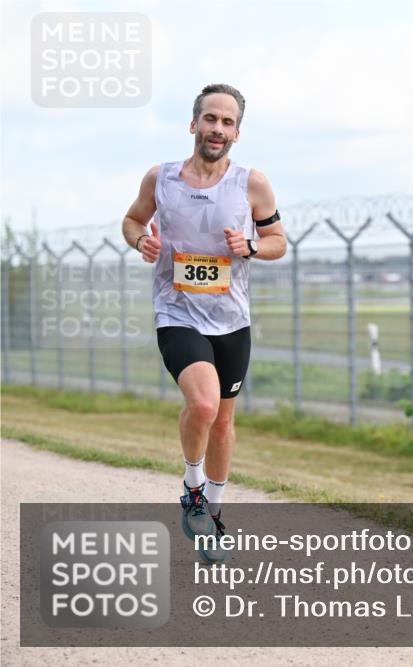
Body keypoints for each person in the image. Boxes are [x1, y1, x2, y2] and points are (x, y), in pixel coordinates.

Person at [121, 83, 287, 561]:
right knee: (203, 405)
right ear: (194, 124)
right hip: (177, 312)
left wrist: (252, 246)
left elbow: (278, 240)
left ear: (237, 132)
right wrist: (141, 243)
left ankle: (212, 512)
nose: (218, 129)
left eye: (228, 122)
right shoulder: (162, 178)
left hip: (231, 319)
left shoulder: (251, 184)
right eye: (210, 119)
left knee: (223, 422)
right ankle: (192, 488)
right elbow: (132, 220)